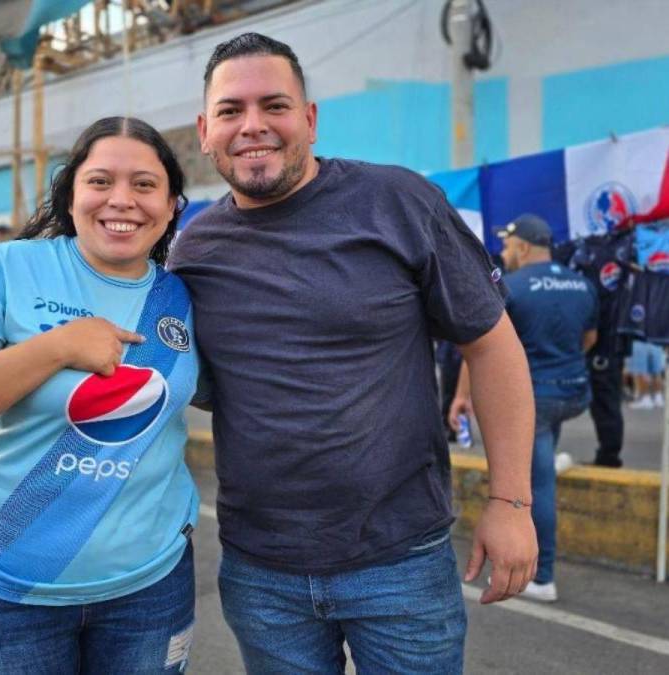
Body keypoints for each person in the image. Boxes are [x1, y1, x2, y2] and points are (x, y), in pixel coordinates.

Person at [169, 33, 537, 674]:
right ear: (205, 131)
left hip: (400, 562)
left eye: (273, 105)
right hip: (262, 572)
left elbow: (493, 343)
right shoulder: (191, 253)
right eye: (231, 111)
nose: (252, 126)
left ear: (309, 119)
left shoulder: (399, 202)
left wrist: (509, 503)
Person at [0, 117, 200, 674]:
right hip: (8, 586)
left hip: (151, 584)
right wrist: (58, 347)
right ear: (70, 196)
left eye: (144, 185)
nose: (122, 200)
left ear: (170, 207)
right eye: (99, 182)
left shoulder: (183, 296)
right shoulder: (13, 268)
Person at [451, 214, 598, 603]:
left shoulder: (512, 286)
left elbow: (483, 348)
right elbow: (590, 336)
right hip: (574, 392)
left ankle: (544, 575)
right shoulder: (581, 284)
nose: (503, 251)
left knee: (534, 487)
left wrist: (462, 396)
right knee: (542, 464)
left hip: (535, 399)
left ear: (524, 246)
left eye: (509, 244)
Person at [627, 339, 666, 409]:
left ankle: (645, 398)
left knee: (640, 371)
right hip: (655, 339)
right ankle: (658, 397)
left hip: (639, 339)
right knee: (656, 371)